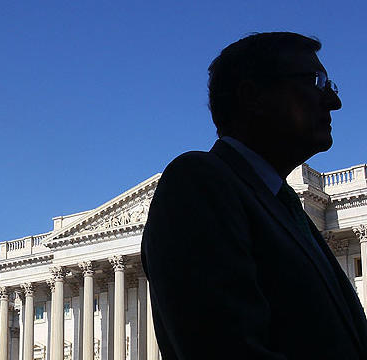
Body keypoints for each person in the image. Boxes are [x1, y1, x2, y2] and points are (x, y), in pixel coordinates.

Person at [141, 32, 367, 359]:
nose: (334, 100)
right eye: (316, 82)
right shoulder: (198, 182)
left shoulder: (287, 207)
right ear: (254, 97)